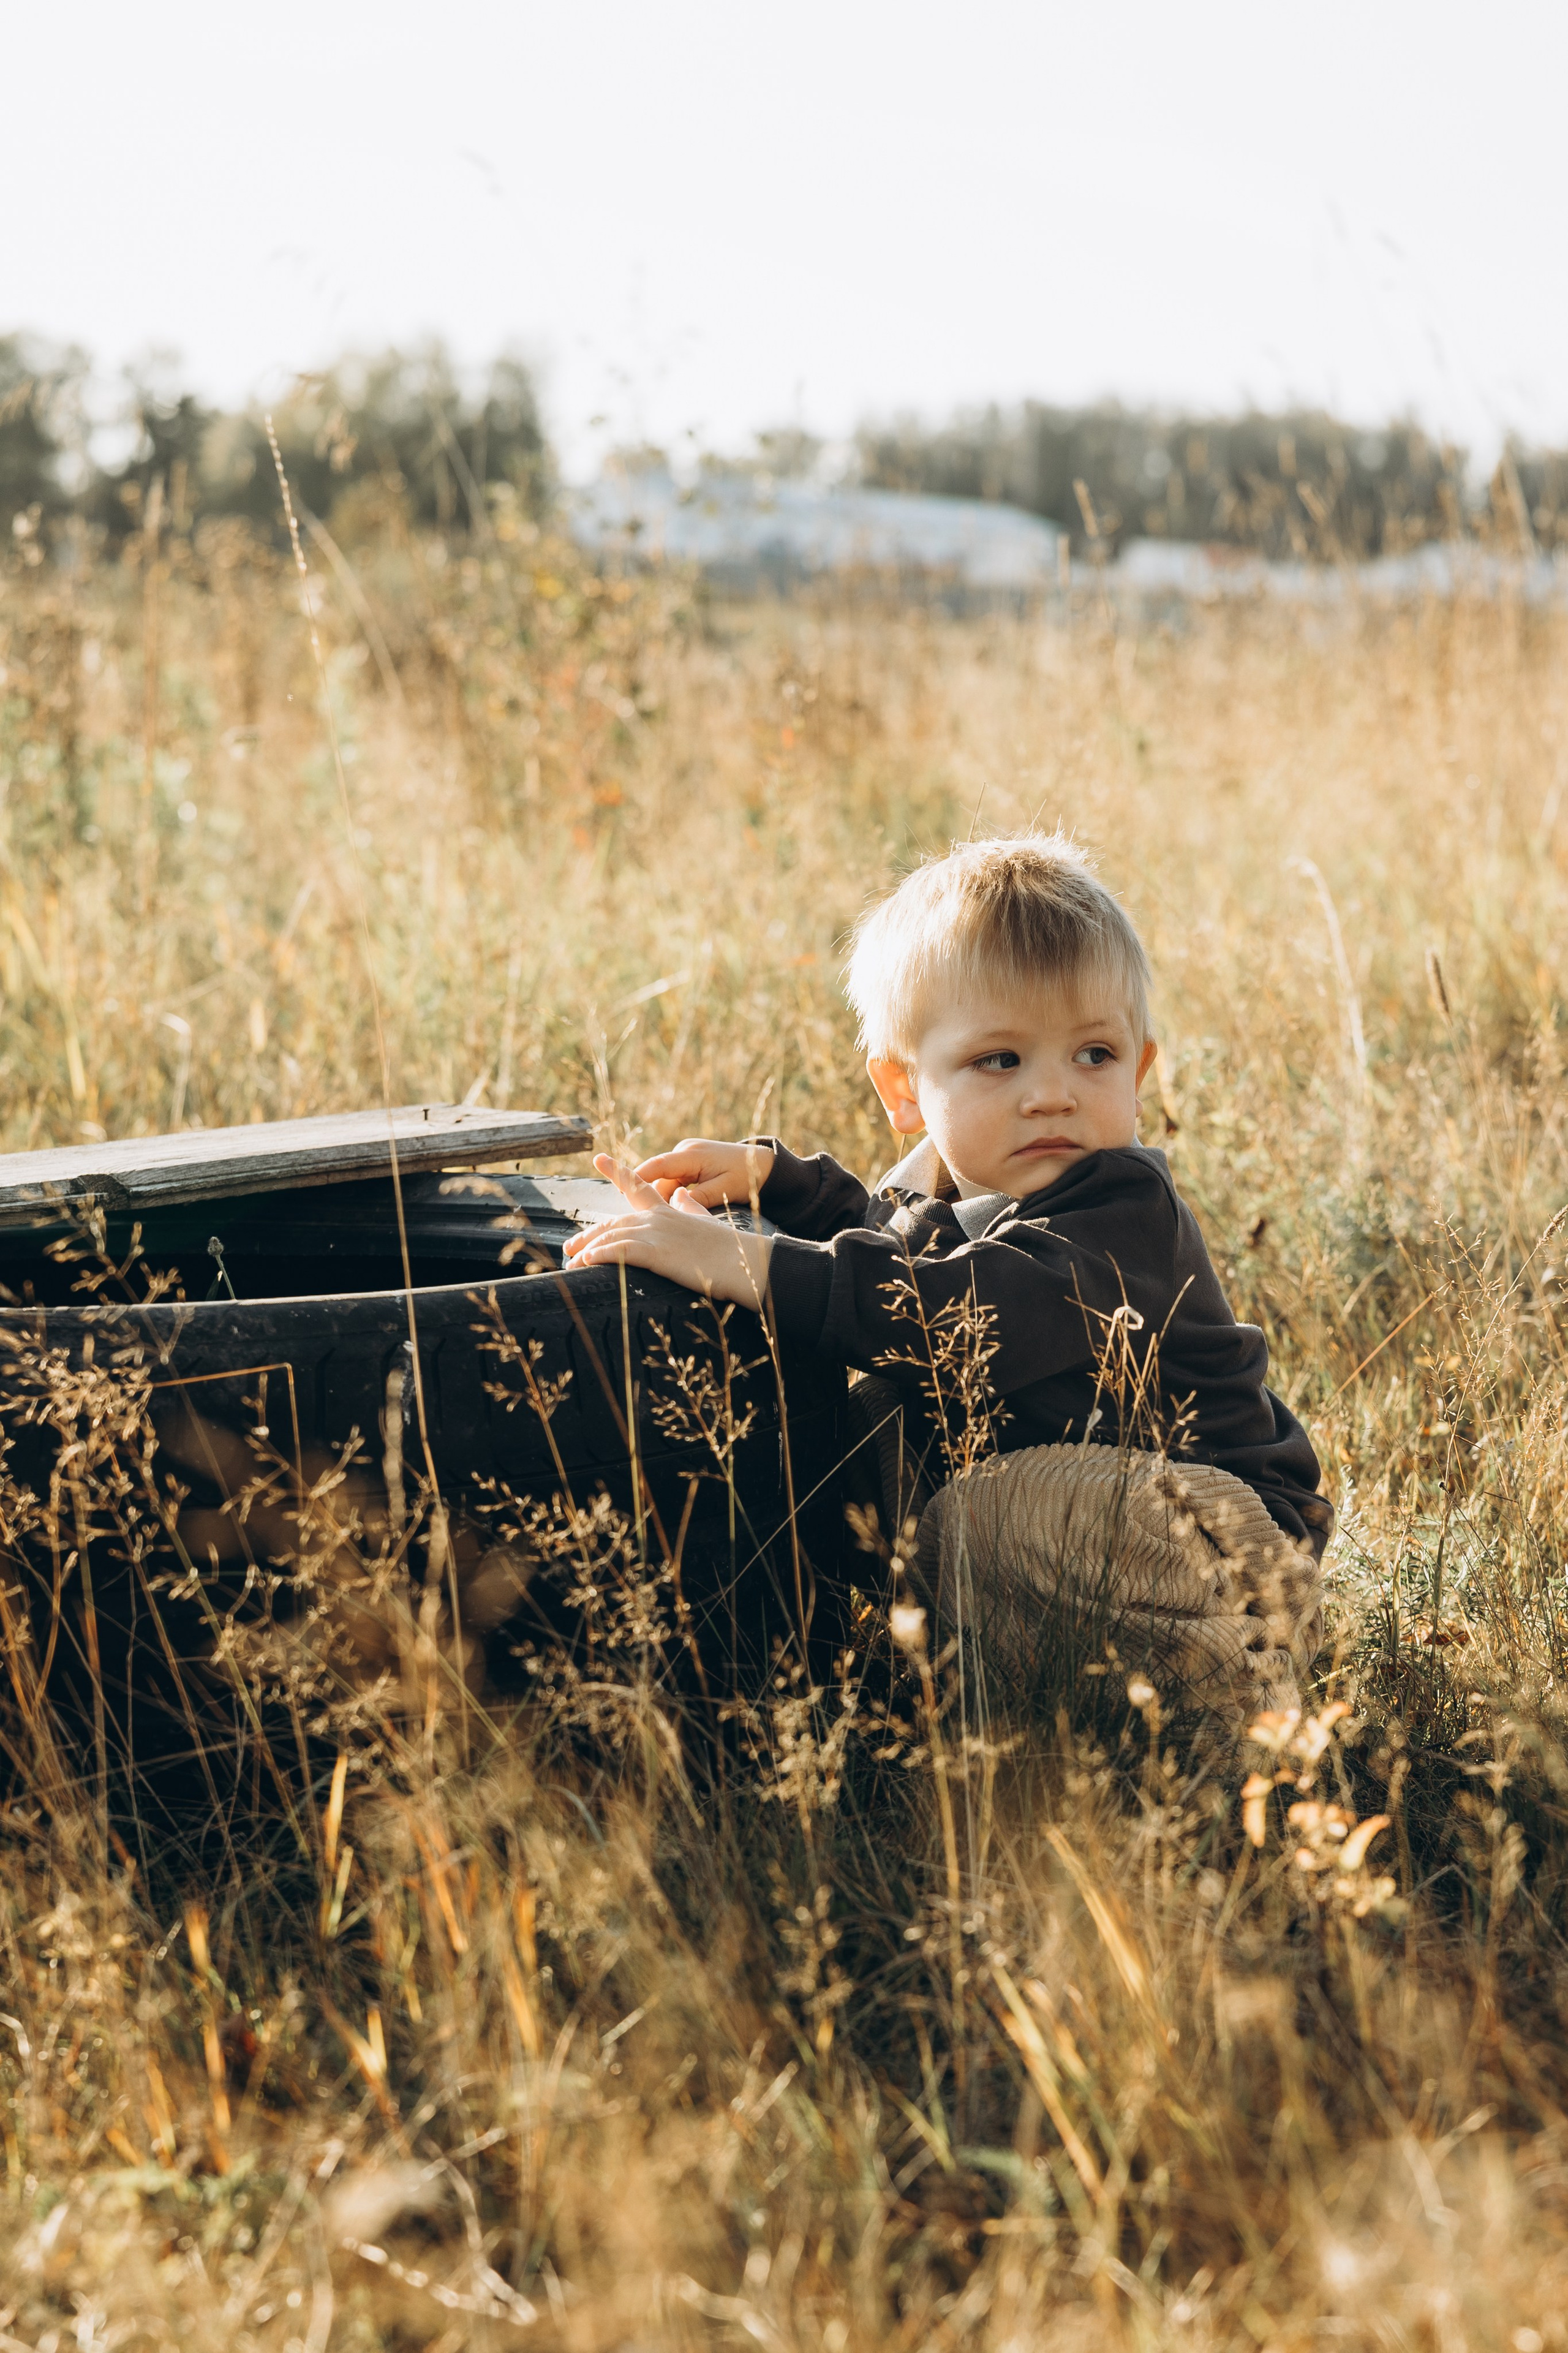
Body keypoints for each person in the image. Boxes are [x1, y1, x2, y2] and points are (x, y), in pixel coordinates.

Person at [566, 834, 1330, 1712]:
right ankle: (913, 1677)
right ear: (902, 1089)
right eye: (1000, 1060)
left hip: (1220, 1541)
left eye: (1095, 1055)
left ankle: (1248, 1723)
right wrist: (781, 1183)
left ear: (1140, 1068)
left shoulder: (1126, 1212)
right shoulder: (937, 1179)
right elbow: (889, 1244)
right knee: (858, 1429)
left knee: (975, 1519)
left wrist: (736, 1259)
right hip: (1074, 1523)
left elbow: (952, 1314)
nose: (1054, 1093)